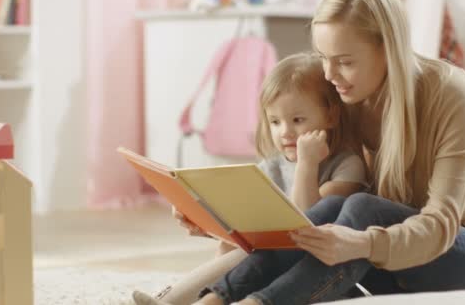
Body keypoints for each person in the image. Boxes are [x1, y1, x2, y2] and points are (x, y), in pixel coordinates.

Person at [194, 0, 465, 305]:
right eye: (323, 58)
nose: (328, 74)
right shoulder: (347, 99)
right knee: (330, 212)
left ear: (388, 49)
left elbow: (440, 226)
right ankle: (212, 300)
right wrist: (216, 221)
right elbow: (313, 210)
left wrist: (363, 245)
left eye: (344, 61)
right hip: (393, 256)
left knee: (362, 207)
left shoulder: (452, 95)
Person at [132, 52, 369, 305]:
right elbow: (248, 228)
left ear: (331, 116)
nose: (285, 132)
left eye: (298, 120)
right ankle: (189, 297)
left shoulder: (347, 165)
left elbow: (310, 222)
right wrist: (206, 222)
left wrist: (307, 164)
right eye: (275, 122)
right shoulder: (272, 166)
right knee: (233, 248)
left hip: (308, 275)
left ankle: (174, 300)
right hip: (263, 266)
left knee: (251, 253)